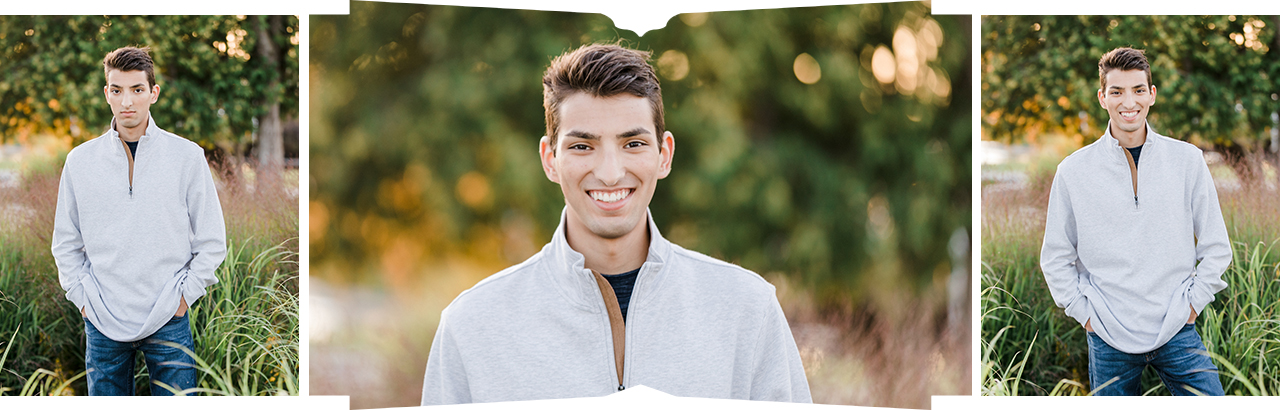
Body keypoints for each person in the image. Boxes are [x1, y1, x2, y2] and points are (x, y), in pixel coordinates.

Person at [420, 43, 811, 404]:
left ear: (664, 154)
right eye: (582, 146)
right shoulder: (472, 327)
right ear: (550, 159)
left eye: (633, 144)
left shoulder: (747, 311)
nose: (609, 173)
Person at [1040, 47, 1231, 396]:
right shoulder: (1073, 171)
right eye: (1117, 92)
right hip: (1108, 334)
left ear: (1151, 94)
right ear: (1102, 98)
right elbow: (1055, 257)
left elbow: (1217, 246)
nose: (1129, 102)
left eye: (1138, 90)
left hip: (1177, 327)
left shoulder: (1187, 160)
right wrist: (1087, 316)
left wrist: (1192, 306)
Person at [51, 46, 227, 396]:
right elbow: (65, 242)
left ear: (153, 93)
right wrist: (82, 298)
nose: (127, 101)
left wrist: (184, 297)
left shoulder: (186, 156)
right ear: (107, 94)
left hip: (167, 315)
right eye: (117, 90)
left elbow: (211, 240)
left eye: (137, 90)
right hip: (102, 317)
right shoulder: (80, 161)